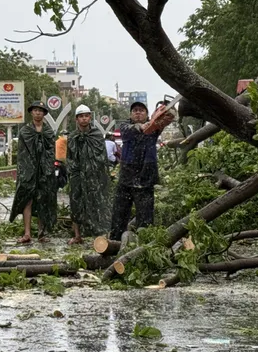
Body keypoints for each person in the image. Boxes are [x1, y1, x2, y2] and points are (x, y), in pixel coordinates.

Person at [109, 101, 174, 242]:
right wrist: (143, 126)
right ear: (131, 114)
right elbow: (134, 129)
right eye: (135, 110)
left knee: (145, 217)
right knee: (119, 213)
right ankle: (115, 242)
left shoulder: (155, 127)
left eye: (141, 110)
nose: (138, 112)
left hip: (146, 177)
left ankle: (144, 245)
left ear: (147, 114)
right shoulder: (125, 127)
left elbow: (168, 118)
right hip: (126, 177)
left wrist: (166, 108)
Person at [10, 101, 57, 244]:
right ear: (31, 112)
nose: (38, 113)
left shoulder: (49, 132)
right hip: (29, 172)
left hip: (45, 172)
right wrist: (26, 171)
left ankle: (42, 234)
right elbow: (23, 154)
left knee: (43, 200)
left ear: (44, 114)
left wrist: (48, 169)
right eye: (35, 110)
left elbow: (51, 152)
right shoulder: (25, 131)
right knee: (28, 201)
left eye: (41, 111)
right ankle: (27, 233)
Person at [67, 104, 111, 245]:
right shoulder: (72, 136)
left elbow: (102, 156)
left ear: (90, 118)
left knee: (98, 202)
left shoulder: (97, 135)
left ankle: (100, 234)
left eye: (86, 116)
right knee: (76, 203)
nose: (84, 119)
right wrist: (74, 172)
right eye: (81, 116)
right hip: (77, 176)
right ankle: (77, 235)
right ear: (76, 119)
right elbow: (70, 157)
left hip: (95, 176)